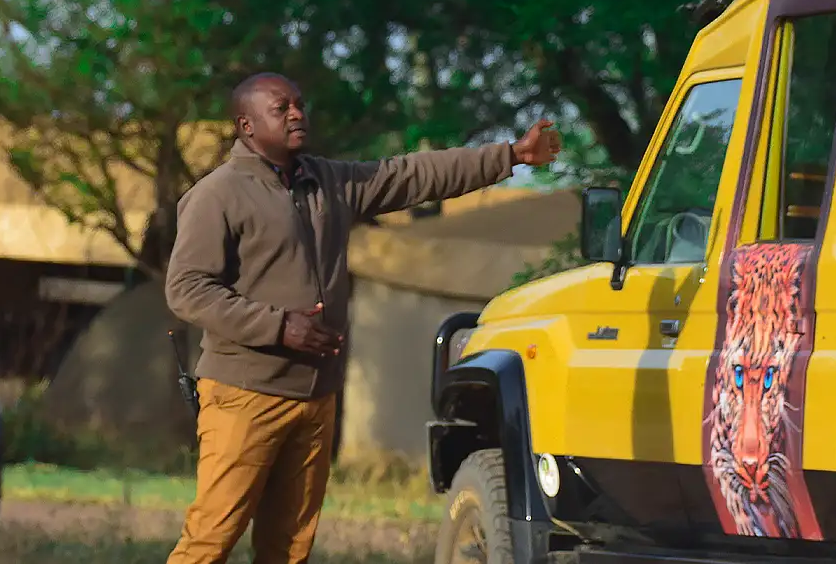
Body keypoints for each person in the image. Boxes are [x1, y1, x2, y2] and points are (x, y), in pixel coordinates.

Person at [162, 72, 560, 563]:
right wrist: (278, 326)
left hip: (315, 396)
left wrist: (510, 156)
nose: (297, 114)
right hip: (245, 395)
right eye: (281, 107)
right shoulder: (217, 194)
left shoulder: (328, 181)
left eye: (300, 104)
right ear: (245, 124)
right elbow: (186, 289)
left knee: (288, 548)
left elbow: (413, 175)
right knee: (211, 539)